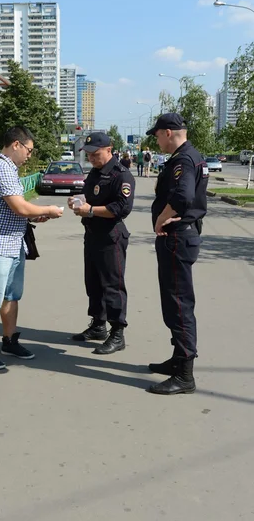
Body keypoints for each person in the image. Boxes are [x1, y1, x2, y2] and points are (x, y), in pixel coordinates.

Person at [0, 126, 63, 371]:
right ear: (16, 145)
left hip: (13, 242)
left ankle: (9, 341)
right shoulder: (0, 167)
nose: (29, 156)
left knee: (11, 296)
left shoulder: (9, 169)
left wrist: (33, 217)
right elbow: (19, 207)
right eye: (29, 150)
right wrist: (48, 210)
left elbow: (16, 210)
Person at [146, 113, 208, 395]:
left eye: (157, 135)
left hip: (177, 238)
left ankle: (185, 375)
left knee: (179, 305)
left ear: (168, 132)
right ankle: (177, 360)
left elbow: (183, 197)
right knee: (175, 303)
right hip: (183, 238)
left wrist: (161, 218)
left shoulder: (183, 159)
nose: (156, 140)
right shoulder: (193, 155)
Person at [69, 132, 135, 355]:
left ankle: (117, 333)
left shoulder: (121, 175)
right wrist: (79, 200)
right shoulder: (95, 174)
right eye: (88, 155)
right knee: (93, 282)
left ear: (109, 149)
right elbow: (90, 197)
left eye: (95, 154)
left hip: (111, 237)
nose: (91, 159)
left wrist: (89, 210)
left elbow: (121, 208)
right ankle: (99, 324)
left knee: (112, 286)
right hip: (93, 234)